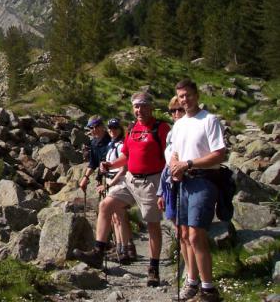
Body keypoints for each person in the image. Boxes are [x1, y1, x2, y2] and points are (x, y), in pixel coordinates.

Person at [73, 91, 170, 287]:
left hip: (152, 180)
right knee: (106, 205)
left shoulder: (161, 128)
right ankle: (98, 251)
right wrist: (111, 165)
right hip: (130, 179)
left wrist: (167, 185)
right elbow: (127, 155)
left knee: (152, 224)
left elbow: (169, 156)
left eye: (143, 105)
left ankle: (154, 267)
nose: (139, 110)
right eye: (136, 106)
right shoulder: (133, 128)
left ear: (151, 107)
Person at [169, 79, 226, 302]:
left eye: (188, 95)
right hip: (184, 181)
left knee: (195, 234)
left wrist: (188, 164)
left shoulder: (209, 120)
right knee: (183, 234)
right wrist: (175, 165)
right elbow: (175, 151)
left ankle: (209, 288)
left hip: (204, 179)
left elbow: (219, 154)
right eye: (181, 96)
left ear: (197, 95)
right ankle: (192, 282)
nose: (185, 100)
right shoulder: (179, 123)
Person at [100, 117, 136, 264]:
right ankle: (121, 247)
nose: (112, 131)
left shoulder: (121, 145)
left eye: (115, 128)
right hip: (111, 180)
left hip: (118, 181)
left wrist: (109, 184)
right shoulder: (111, 145)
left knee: (119, 217)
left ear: (121, 130)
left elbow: (123, 168)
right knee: (116, 217)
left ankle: (125, 249)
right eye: (110, 129)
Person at [78, 116, 110, 192]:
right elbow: (93, 163)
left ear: (102, 126)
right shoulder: (93, 143)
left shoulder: (111, 140)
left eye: (97, 126)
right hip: (102, 178)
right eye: (91, 128)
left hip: (114, 177)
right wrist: (85, 177)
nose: (94, 130)